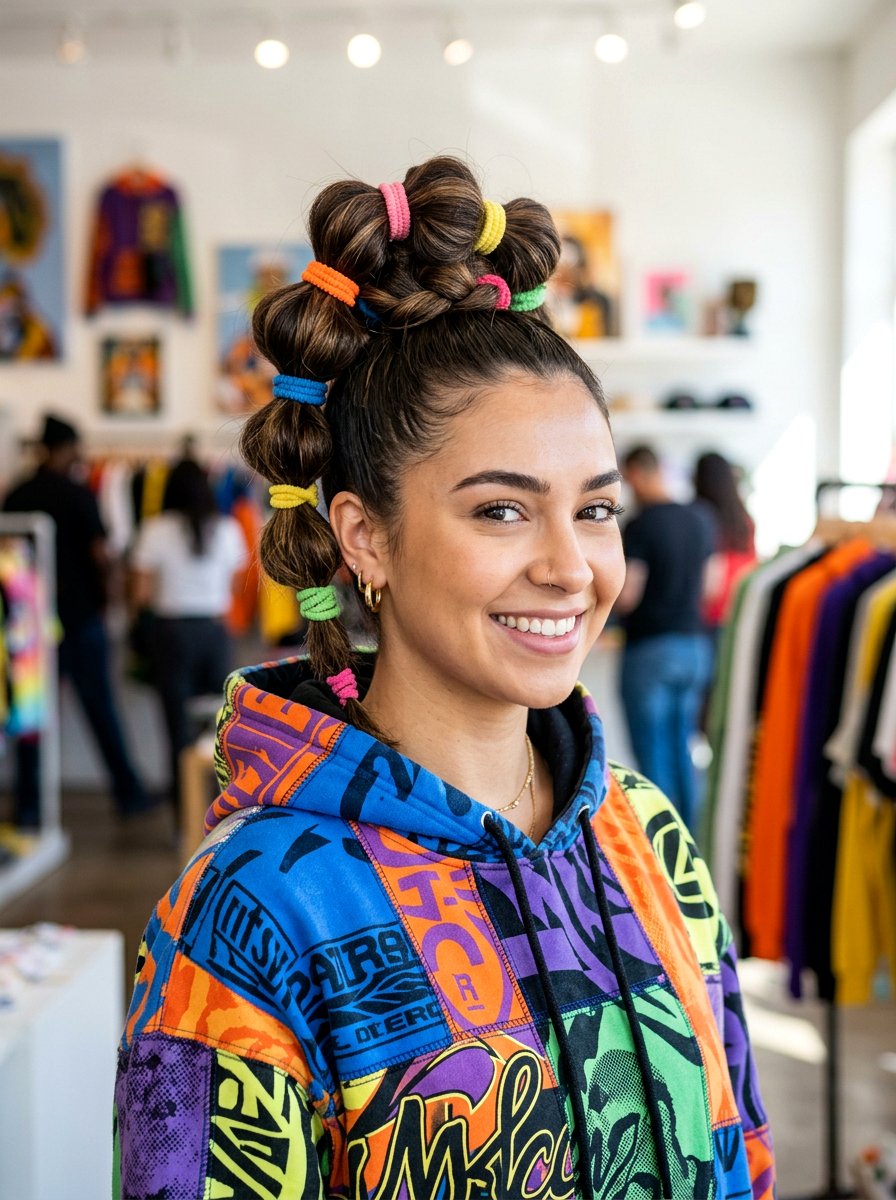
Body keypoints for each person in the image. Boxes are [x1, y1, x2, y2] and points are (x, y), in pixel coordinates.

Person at [114, 159, 774, 1200]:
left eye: (594, 509)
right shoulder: (250, 912)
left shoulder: (645, 833)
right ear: (363, 536)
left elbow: (741, 1146)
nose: (570, 565)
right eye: (501, 510)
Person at [3, 414, 150, 819]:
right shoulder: (77, 493)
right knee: (101, 708)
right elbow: (101, 555)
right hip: (81, 619)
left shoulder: (17, 494)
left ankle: (29, 808)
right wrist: (113, 600)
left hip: (30, 623)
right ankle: (129, 793)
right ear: (63, 450)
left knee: (32, 716)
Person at [129, 457, 247, 809]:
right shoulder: (226, 529)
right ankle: (223, 812)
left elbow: (141, 594)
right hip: (214, 632)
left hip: (172, 635)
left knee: (178, 731)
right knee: (223, 728)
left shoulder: (155, 529)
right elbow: (238, 587)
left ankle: (184, 820)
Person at [615, 444, 716, 831]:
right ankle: (689, 841)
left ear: (638, 472)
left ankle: (659, 847)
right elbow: (711, 586)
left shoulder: (642, 524)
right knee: (684, 750)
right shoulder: (700, 518)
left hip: (651, 650)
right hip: (694, 647)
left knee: (654, 758)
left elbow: (628, 595)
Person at [694, 451, 757, 635]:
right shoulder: (745, 520)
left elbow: (712, 574)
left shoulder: (702, 518)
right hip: (739, 606)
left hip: (709, 612)